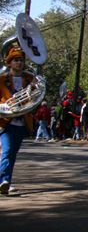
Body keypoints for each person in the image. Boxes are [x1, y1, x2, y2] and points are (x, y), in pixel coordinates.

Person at [0, 47, 37, 195]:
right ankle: (4, 180)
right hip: (6, 121)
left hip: (22, 122)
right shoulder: (1, 79)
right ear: (9, 63)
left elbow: (36, 96)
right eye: (15, 60)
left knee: (13, 154)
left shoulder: (29, 79)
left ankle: (7, 181)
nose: (19, 63)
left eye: (21, 60)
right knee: (7, 151)